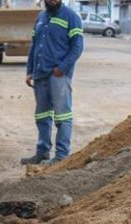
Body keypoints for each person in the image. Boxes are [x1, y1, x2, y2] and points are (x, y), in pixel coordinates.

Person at [20, 0, 83, 166]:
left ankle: (61, 156)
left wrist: (62, 68)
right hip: (40, 75)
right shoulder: (41, 17)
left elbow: (77, 47)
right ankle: (42, 153)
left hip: (58, 76)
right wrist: (29, 71)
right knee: (42, 116)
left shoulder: (71, 17)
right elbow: (34, 46)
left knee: (62, 116)